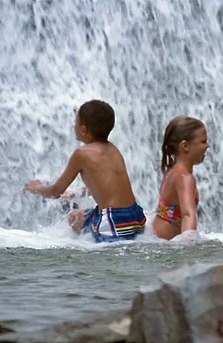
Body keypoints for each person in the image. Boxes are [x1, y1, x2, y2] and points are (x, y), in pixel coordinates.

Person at [23, 99, 146, 243]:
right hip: (135, 216)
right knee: (75, 218)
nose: (73, 125)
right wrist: (75, 193)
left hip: (115, 222)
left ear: (83, 130)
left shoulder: (81, 154)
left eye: (76, 122)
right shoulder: (113, 149)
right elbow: (109, 185)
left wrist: (36, 188)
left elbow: (56, 191)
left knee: (107, 258)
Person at [152, 115, 209, 240]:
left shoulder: (171, 171)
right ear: (185, 146)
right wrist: (188, 247)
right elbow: (188, 215)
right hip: (163, 246)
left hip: (155, 237)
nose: (207, 146)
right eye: (203, 141)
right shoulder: (185, 178)